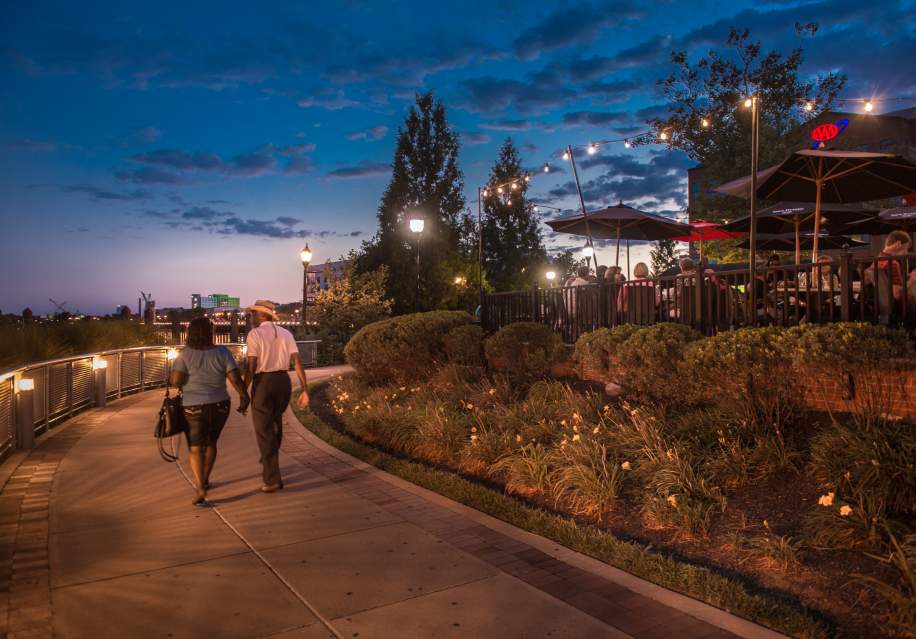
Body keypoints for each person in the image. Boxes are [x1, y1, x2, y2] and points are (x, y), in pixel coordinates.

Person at [169, 317, 250, 506]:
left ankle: (200, 487)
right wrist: (244, 397)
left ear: (190, 333)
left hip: (192, 406)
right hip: (220, 405)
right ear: (210, 333)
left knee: (195, 447)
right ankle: (205, 479)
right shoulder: (223, 352)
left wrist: (177, 375)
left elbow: (176, 382)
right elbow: (235, 379)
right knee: (211, 443)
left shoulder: (185, 354)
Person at [243, 300, 310, 493]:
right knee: (275, 422)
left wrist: (243, 391)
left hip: (264, 382)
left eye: (253, 314)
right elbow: (297, 361)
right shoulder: (286, 333)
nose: (251, 318)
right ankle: (269, 456)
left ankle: (272, 478)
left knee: (263, 430)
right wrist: (305, 389)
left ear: (261, 315)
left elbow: (251, 366)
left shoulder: (254, 334)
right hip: (283, 382)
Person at [876, 230, 913, 303]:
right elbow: (897, 294)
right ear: (898, 244)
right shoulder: (893, 264)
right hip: (900, 305)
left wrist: (909, 277)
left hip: (882, 303)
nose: (906, 252)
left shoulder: (878, 259)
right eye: (906, 248)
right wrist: (912, 280)